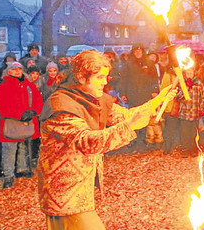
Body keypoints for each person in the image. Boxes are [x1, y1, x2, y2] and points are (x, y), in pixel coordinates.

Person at [37, 50, 175, 229]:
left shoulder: (92, 98)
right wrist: (130, 126)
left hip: (80, 189)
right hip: (64, 193)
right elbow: (87, 142)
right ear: (80, 77)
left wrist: (158, 101)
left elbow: (126, 116)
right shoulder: (61, 106)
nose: (105, 82)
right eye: (99, 77)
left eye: (106, 77)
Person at [0, 61, 43, 189]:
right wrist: (19, 114)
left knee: (23, 147)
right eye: (14, 69)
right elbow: (0, 107)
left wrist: (34, 111)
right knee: (9, 150)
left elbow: (38, 101)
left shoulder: (29, 86)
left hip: (27, 122)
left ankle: (22, 169)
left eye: (19, 69)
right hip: (11, 123)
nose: (17, 71)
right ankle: (9, 176)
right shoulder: (1, 88)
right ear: (8, 71)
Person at [175, 68, 204, 156]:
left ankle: (193, 150)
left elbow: (203, 97)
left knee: (193, 132)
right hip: (184, 112)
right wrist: (187, 87)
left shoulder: (199, 83)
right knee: (185, 132)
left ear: (194, 73)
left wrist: (202, 108)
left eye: (191, 72)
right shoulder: (182, 83)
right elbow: (178, 96)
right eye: (187, 73)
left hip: (195, 112)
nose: (189, 74)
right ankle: (185, 150)